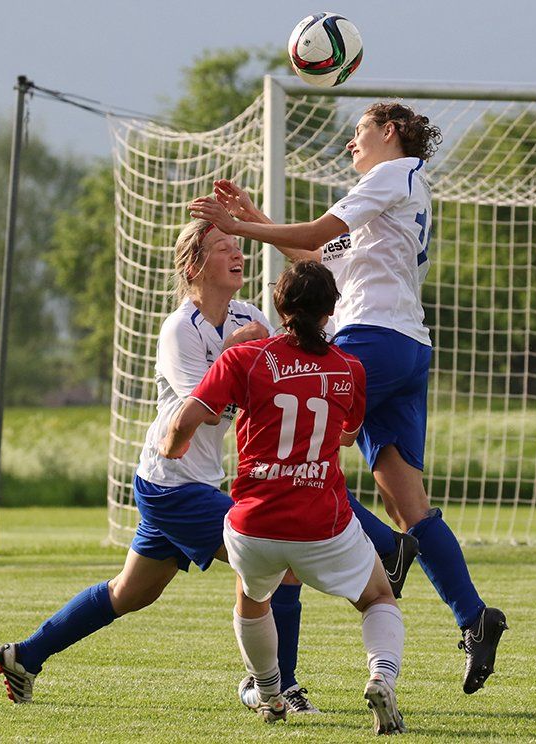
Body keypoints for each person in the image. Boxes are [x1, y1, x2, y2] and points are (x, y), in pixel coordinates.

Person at [0, 218, 413, 712]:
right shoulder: (180, 330)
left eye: (237, 245)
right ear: (194, 266)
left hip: (197, 481)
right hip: (172, 483)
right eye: (222, 247)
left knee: (129, 593)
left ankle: (25, 656)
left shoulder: (247, 314)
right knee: (279, 562)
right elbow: (208, 405)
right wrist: (240, 352)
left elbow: (287, 365)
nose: (237, 253)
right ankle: (281, 689)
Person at [189, 102, 508, 695]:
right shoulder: (394, 193)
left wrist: (237, 227)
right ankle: (474, 616)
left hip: (369, 342)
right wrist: (257, 218)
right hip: (405, 347)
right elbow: (317, 261)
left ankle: (281, 676)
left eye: (358, 131)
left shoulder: (391, 174)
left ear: (390, 132)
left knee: (293, 466)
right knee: (409, 505)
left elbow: (316, 234)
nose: (349, 143)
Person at [162, 261, 407, 735]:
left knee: (252, 597)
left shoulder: (244, 358)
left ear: (279, 307)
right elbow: (347, 435)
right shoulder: (350, 368)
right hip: (322, 523)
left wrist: (174, 447)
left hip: (254, 523)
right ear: (331, 311)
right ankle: (381, 678)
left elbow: (185, 419)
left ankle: (270, 694)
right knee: (379, 596)